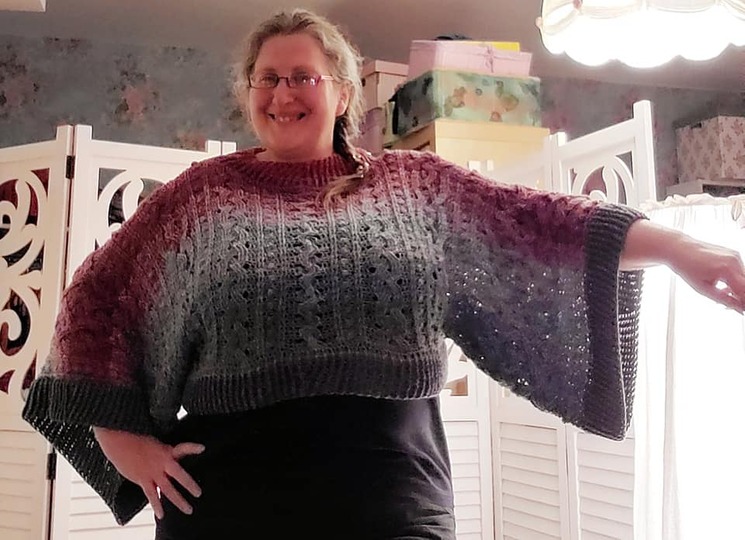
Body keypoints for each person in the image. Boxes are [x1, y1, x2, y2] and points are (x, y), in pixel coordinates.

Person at [22, 8, 745, 540]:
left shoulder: (415, 185)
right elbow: (98, 299)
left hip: (392, 497)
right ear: (248, 92)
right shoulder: (200, 197)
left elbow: (539, 223)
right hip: (231, 505)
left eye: (302, 77)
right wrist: (123, 443)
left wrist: (683, 248)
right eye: (267, 78)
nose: (282, 94)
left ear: (341, 92)